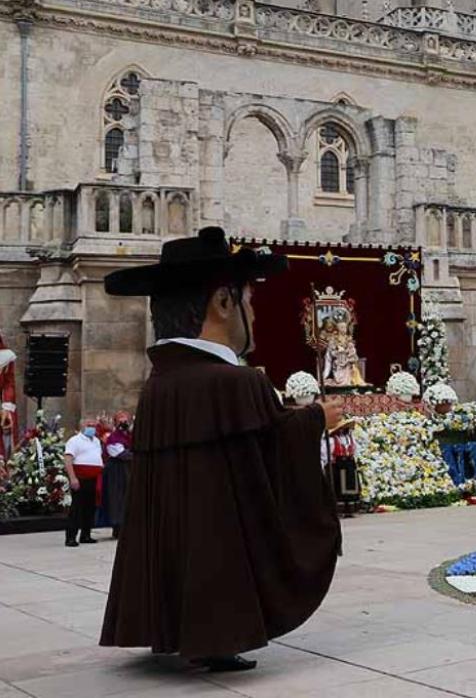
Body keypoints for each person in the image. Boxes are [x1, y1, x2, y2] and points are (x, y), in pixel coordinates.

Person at [99, 227, 343, 672]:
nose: (252, 310)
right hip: (220, 545)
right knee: (214, 534)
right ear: (223, 303)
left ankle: (171, 623)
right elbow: (271, 452)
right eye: (247, 299)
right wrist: (315, 420)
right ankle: (217, 630)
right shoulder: (236, 381)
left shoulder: (162, 381)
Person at [63, 425, 103, 547]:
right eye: (89, 425)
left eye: (93, 425)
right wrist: (73, 478)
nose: (92, 428)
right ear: (82, 427)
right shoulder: (74, 441)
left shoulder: (96, 441)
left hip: (94, 478)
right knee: (77, 508)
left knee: (90, 508)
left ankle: (86, 535)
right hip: (80, 478)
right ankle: (71, 537)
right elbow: (68, 459)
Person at [102, 412, 133, 539]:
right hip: (116, 471)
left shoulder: (130, 436)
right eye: (121, 421)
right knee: (117, 498)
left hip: (129, 469)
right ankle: (118, 528)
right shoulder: (113, 438)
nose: (124, 424)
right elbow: (120, 454)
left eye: (126, 421)